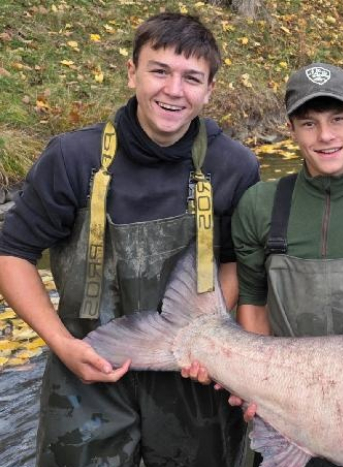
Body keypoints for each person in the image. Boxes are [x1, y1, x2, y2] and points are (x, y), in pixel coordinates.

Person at [0, 13, 259, 467]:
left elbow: (237, 262)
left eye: (191, 78)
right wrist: (61, 345)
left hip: (190, 378)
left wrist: (205, 337)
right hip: (86, 373)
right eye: (160, 71)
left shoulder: (236, 166)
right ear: (132, 72)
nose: (174, 90)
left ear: (210, 89)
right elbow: (12, 254)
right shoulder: (72, 158)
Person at [228, 62, 343, 466]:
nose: (326, 136)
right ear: (291, 129)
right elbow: (253, 304)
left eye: (338, 119)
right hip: (285, 404)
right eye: (309, 124)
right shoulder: (260, 205)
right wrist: (257, 389)